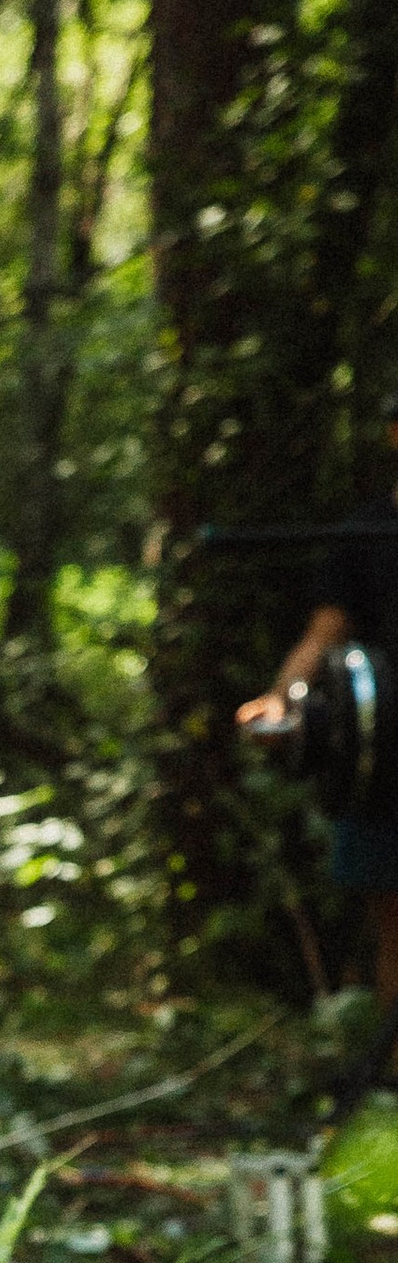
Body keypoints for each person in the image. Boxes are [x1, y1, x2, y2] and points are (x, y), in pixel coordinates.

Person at [235, 423, 398, 1003]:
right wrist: (281, 701)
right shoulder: (366, 532)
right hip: (386, 762)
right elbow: (324, 634)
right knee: (393, 922)